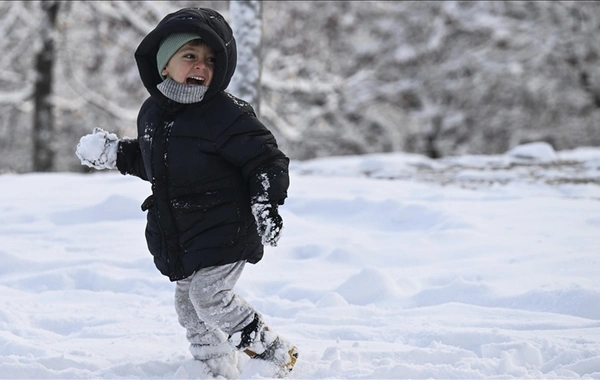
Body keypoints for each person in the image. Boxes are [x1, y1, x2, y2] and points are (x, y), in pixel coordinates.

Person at [75, 7, 297, 379]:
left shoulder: (226, 114)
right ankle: (213, 366)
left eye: (211, 60)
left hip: (227, 227)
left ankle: (274, 354)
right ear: (164, 64)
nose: (201, 66)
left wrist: (265, 201)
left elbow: (265, 159)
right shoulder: (152, 114)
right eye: (190, 56)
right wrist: (116, 153)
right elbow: (156, 164)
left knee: (209, 298)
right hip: (185, 233)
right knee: (189, 306)